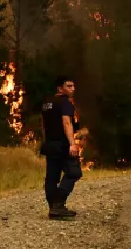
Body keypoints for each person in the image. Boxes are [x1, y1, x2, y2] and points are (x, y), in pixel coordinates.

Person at [40, 75, 83, 219]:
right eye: (69, 86)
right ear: (60, 88)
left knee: (52, 177)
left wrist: (45, 142)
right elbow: (66, 123)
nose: (73, 89)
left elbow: (43, 125)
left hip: (50, 144)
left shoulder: (47, 103)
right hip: (62, 145)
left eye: (73, 86)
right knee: (74, 172)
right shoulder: (65, 103)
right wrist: (72, 144)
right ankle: (58, 204)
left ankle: (53, 209)